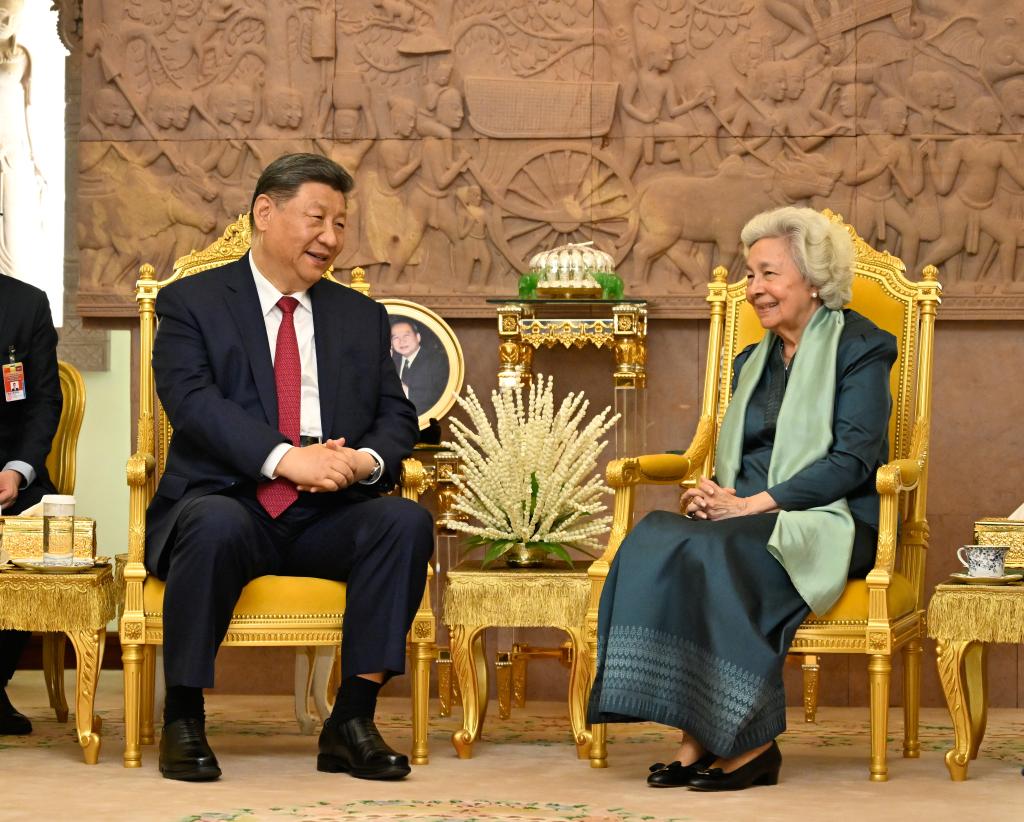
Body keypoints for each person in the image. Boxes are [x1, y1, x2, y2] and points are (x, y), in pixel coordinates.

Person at [589, 206, 896, 791]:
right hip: (747, 513)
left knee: (716, 551)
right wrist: (711, 494)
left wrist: (751, 506)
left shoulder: (862, 347)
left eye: (768, 274)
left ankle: (751, 746)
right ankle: (696, 735)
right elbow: (742, 456)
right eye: (750, 274)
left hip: (832, 518)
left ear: (813, 279)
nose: (753, 288)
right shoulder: (752, 360)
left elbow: (852, 461)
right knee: (657, 536)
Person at [148, 153, 432, 782]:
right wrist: (286, 459)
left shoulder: (360, 315)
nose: (330, 237)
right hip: (231, 498)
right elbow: (193, 404)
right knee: (214, 524)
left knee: (404, 523)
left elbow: (396, 414)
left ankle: (351, 721)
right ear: (265, 212)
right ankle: (184, 717)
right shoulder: (191, 302)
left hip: (328, 510)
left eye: (340, 223)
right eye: (316, 218)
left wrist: (362, 461)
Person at [0, 272, 62, 736]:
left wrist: (17, 470)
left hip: (9, 475)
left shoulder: (26, 304)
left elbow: (44, 401)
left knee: (39, 532)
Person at [390, 318, 446, 417]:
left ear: (418, 337)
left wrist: (405, 391)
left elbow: (439, 395)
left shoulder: (437, 361)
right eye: (396, 338)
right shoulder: (391, 361)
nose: (402, 341)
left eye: (406, 335)